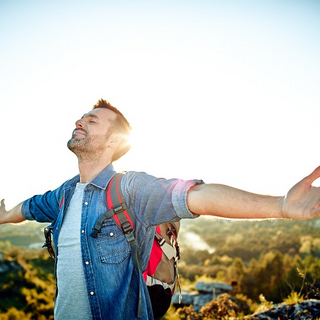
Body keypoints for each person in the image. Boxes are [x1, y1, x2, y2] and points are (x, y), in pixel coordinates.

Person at [1, 99, 320, 320]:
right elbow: (26, 208)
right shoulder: (62, 195)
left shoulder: (129, 188)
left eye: (91, 119)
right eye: (82, 117)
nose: (79, 121)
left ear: (113, 142)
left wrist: (280, 205)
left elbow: (197, 196)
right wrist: (3, 216)